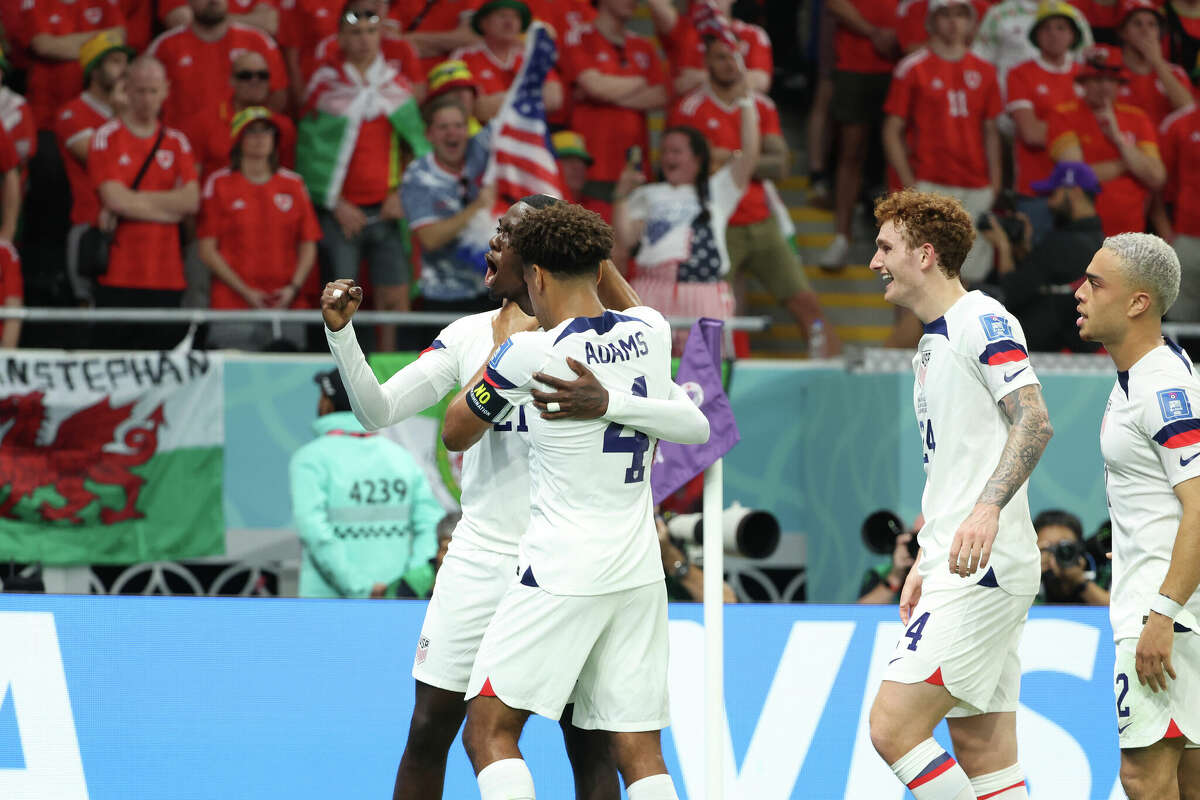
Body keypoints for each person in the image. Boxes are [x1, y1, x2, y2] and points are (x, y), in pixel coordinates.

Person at [324, 194, 698, 799]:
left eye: (509, 233)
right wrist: (343, 338)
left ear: (538, 262)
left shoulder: (558, 344)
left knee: (587, 742)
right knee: (430, 726)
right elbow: (377, 411)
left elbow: (643, 333)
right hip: (487, 557)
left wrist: (584, 274)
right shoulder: (470, 335)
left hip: (557, 561)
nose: (493, 242)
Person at [441, 201, 705, 800]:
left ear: (534, 276)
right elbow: (695, 425)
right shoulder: (651, 329)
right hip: (638, 570)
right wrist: (610, 400)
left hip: (562, 568)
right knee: (638, 749)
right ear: (598, 264)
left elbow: (455, 433)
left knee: (488, 730)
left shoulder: (530, 354)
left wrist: (499, 353)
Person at [867, 189, 1054, 800]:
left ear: (924, 255)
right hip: (961, 562)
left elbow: (1034, 420)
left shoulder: (984, 319)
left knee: (893, 728)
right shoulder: (931, 342)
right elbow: (953, 467)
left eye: (885, 247)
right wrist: (925, 556)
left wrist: (987, 508)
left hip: (983, 569)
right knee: (983, 753)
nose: (874, 262)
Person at [1074, 232, 1200, 798]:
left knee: (1143, 777)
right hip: (1170, 601)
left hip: (1164, 613)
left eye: (1095, 283)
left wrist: (1163, 614)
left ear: (1137, 302)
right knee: (1190, 776)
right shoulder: (1149, 372)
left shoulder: (1162, 386)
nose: (1079, 292)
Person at [669, 35, 843, 356]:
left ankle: (832, 376)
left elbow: (781, 166)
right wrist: (748, 156)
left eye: (735, 56)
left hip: (761, 219)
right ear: (706, 62)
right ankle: (717, 385)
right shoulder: (689, 107)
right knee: (716, 311)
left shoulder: (762, 105)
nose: (729, 63)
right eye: (720, 57)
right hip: (715, 224)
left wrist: (730, 157)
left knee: (805, 301)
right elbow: (689, 166)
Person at [299, 3, 429, 353]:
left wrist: (400, 193)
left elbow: (415, 148)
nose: (364, 40)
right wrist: (337, 203)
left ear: (380, 35)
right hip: (341, 214)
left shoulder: (395, 86)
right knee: (340, 298)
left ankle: (388, 372)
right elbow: (309, 154)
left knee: (395, 296)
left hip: (387, 209)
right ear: (341, 37)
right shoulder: (325, 86)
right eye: (355, 33)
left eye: (371, 32)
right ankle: (346, 367)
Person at [612, 78, 760, 354]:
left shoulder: (718, 191)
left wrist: (746, 102)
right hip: (651, 287)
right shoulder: (648, 193)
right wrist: (621, 196)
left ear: (697, 158)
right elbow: (626, 240)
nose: (668, 157)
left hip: (703, 291)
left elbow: (749, 155)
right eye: (665, 151)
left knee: (704, 376)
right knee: (646, 370)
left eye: (677, 151)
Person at [290, 367, 443, 599]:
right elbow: (431, 526)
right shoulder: (401, 457)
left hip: (325, 606)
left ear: (327, 403)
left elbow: (315, 533)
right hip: (395, 603)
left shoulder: (309, 459)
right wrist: (409, 584)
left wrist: (361, 588)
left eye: (322, 395)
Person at [882, 0, 1005, 284]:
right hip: (928, 181)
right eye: (945, 14)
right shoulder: (912, 68)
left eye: (961, 15)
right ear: (931, 21)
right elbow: (892, 129)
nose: (953, 22)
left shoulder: (985, 70)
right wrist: (908, 181)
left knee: (970, 274)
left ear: (971, 23)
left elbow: (991, 131)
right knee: (916, 275)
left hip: (976, 183)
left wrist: (995, 181)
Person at [88, 56, 200, 351]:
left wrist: (133, 201)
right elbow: (113, 197)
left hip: (167, 275)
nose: (147, 99)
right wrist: (168, 211)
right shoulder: (106, 137)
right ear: (127, 89)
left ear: (165, 90)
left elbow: (190, 201)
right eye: (140, 90)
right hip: (119, 272)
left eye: (153, 90)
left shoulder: (177, 141)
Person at [197, 107, 321, 350]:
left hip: (286, 304)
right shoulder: (219, 184)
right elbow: (207, 250)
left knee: (287, 380)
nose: (260, 138)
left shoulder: (293, 184)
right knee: (234, 381)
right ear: (238, 140)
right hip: (232, 305)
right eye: (251, 132)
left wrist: (292, 288)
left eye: (266, 132)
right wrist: (246, 292)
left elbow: (308, 243)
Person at [558, 0, 668, 221]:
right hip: (589, 168)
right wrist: (639, 81)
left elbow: (661, 95)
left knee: (628, 248)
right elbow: (594, 86)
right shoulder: (578, 36)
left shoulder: (643, 45)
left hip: (634, 168)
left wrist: (605, 93)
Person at [982, 161, 1106, 352]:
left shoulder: (1063, 243)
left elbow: (1011, 293)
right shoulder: (1099, 242)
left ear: (1073, 192)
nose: (1049, 203)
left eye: (1054, 194)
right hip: (1072, 348)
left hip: (1043, 352)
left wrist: (1003, 246)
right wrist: (1025, 248)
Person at [399, 96, 495, 333]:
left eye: (459, 126)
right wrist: (477, 207)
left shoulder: (480, 154)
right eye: (443, 127)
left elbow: (512, 117)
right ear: (429, 134)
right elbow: (430, 238)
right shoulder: (418, 175)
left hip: (492, 293)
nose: (452, 133)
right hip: (445, 298)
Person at [1047, 45, 1165, 237]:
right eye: (1097, 79)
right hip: (1082, 232)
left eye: (1111, 80)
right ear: (1084, 82)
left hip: (1130, 236)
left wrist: (1118, 140)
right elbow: (1076, 176)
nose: (1105, 86)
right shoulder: (1063, 115)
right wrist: (1130, 164)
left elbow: (1156, 176)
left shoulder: (1137, 117)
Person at [819, 0, 900, 268]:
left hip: (902, 64)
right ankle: (842, 237)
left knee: (899, 156)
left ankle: (900, 242)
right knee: (850, 153)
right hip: (855, 64)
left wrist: (902, 39)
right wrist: (873, 32)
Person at [55, 31, 133, 305]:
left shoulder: (136, 114)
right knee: (88, 306)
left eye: (125, 61)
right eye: (114, 61)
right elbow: (105, 160)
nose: (124, 69)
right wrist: (120, 116)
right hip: (90, 224)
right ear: (93, 69)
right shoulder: (72, 113)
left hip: (133, 226)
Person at [1004, 0, 1086, 241]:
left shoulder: (1086, 76)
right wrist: (1078, 134)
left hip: (1081, 191)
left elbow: (1096, 134)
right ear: (1035, 35)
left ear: (1073, 35)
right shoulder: (1020, 74)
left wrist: (1051, 130)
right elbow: (1030, 132)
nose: (1053, 34)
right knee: (1033, 266)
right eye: (1046, 28)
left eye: (1061, 27)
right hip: (1035, 189)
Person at [146, 0, 287, 133]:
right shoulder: (164, 46)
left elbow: (278, 95)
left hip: (242, 144)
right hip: (182, 145)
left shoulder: (257, 41)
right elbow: (146, 97)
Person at [183, 50, 297, 181]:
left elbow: (286, 178)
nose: (255, 81)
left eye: (262, 75)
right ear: (232, 80)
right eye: (245, 75)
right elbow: (191, 180)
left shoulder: (283, 127)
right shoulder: (204, 122)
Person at [450, 0, 563, 123]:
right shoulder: (465, 56)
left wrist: (496, 101)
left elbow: (553, 100)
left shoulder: (530, 56)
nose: (509, 22)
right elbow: (475, 109)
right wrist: (531, 99)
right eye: (502, 16)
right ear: (483, 22)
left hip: (529, 131)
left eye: (515, 17)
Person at [23, 0, 126, 131]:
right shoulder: (38, 2)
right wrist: (98, 45)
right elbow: (43, 46)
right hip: (48, 115)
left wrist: (60, 43)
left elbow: (119, 37)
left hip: (97, 111)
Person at [646, 0, 773, 96]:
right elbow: (656, 3)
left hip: (735, 123)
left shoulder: (753, 34)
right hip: (686, 123)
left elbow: (760, 82)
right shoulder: (682, 29)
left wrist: (702, 78)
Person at [1117, 0, 1192, 128]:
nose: (1145, 30)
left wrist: (1157, 63)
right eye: (1137, 23)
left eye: (1152, 25)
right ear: (1123, 32)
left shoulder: (1175, 72)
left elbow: (1188, 110)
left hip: (1165, 145)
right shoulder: (1110, 71)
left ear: (1159, 33)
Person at [1161, 103, 1200, 321]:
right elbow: (1161, 185)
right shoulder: (1179, 124)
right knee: (1181, 318)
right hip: (1187, 236)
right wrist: (1165, 230)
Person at [1033, 509, 1110, 604]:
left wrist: (1080, 581)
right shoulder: (1026, 580)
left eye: (1064, 548)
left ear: (1080, 551)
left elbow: (1117, 611)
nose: (1055, 557)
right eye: (1047, 550)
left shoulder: (1102, 576)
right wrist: (1030, 574)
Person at [859, 515, 922, 604]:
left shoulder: (946, 570)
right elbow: (862, 613)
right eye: (916, 539)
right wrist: (896, 575)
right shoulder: (880, 572)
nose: (920, 547)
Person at [552, 130, 593, 206]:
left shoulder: (601, 210)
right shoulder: (533, 208)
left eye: (583, 162)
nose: (578, 167)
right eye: (568, 160)